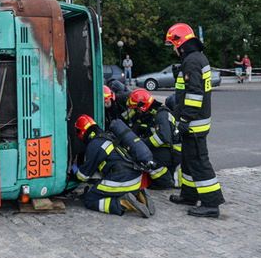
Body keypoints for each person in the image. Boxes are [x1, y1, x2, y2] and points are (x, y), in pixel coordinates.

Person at [165, 23, 224, 217]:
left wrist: (183, 119)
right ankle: (189, 194)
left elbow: (195, 95)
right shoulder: (196, 58)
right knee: (188, 160)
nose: (173, 49)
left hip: (193, 123)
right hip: (197, 121)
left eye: (172, 44)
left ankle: (211, 203)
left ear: (179, 42)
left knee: (199, 161)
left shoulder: (191, 61)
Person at [69, 115, 154, 218]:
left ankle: (122, 203)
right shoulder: (108, 136)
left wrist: (73, 170)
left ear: (82, 131)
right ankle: (138, 193)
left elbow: (83, 176)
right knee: (101, 183)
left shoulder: (94, 145)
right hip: (136, 179)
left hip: (123, 179)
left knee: (90, 198)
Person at [126, 88, 181, 189]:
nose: (135, 111)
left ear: (142, 106)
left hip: (175, 151)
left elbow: (163, 138)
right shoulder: (149, 113)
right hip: (166, 149)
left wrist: (142, 144)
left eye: (136, 108)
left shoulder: (161, 114)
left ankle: (165, 181)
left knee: (147, 158)